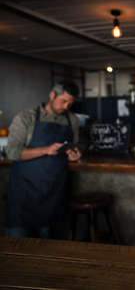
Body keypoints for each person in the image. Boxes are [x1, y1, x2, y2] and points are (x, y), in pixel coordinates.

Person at [5, 81, 82, 238]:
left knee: (49, 251)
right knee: (19, 251)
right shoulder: (26, 118)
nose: (66, 107)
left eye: (70, 103)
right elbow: (12, 152)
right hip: (24, 196)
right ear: (52, 95)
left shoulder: (71, 120)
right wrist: (45, 150)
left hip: (54, 194)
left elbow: (73, 147)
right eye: (63, 101)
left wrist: (75, 155)